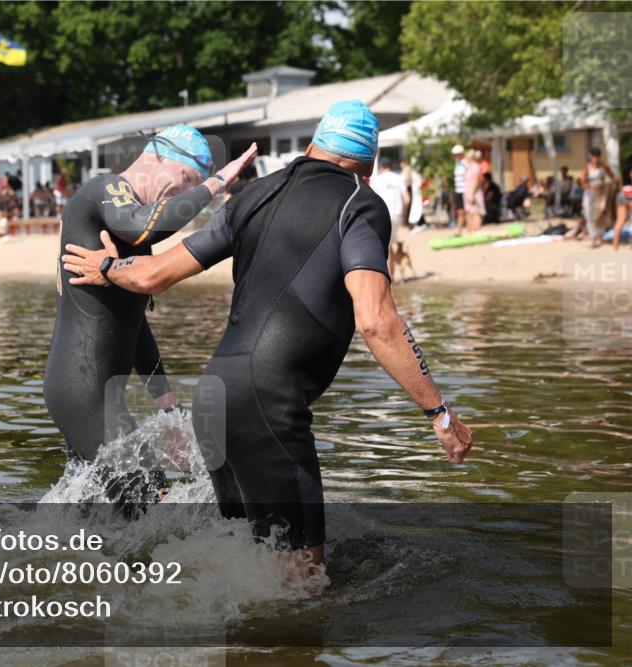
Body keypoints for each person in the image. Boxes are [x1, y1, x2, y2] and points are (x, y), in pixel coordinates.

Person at [61, 101, 473, 576]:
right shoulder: (359, 205)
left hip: (213, 401)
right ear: (369, 165)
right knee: (303, 580)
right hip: (270, 406)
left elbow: (154, 274)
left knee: (246, 562)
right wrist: (439, 414)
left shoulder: (256, 193)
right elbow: (378, 321)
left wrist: (107, 267)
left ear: (315, 144)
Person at [44, 125, 257, 514]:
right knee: (150, 504)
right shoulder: (102, 191)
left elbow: (135, 327)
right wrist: (215, 183)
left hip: (95, 394)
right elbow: (144, 225)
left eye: (193, 184)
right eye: (186, 179)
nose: (185, 192)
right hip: (81, 391)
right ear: (157, 156)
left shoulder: (131, 236)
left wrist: (169, 411)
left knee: (90, 521)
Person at [369, 157, 408, 278]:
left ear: (381, 166)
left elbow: (372, 200)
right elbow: (407, 199)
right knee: (391, 244)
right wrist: (405, 217)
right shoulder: (399, 178)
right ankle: (394, 276)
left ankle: (390, 278)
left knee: (385, 246)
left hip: (383, 214)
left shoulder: (376, 179)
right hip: (397, 214)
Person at [581, 147, 617, 247]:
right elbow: (583, 183)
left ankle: (600, 236)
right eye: (594, 157)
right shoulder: (586, 168)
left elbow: (612, 177)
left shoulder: (603, 167)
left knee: (601, 214)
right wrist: (592, 186)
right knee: (589, 214)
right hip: (590, 194)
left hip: (601, 194)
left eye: (597, 157)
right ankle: (593, 236)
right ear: (591, 157)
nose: (596, 159)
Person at [463, 149, 486, 232]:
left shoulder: (476, 166)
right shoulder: (469, 167)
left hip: (474, 192)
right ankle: (470, 231)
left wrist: (471, 193)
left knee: (475, 212)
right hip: (468, 191)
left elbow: (475, 180)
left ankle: (476, 231)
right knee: (469, 212)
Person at [451, 144, 467, 233]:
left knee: (464, 211)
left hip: (465, 190)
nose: (456, 156)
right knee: (459, 211)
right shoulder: (457, 164)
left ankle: (460, 230)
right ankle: (459, 229)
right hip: (458, 190)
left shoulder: (465, 163)